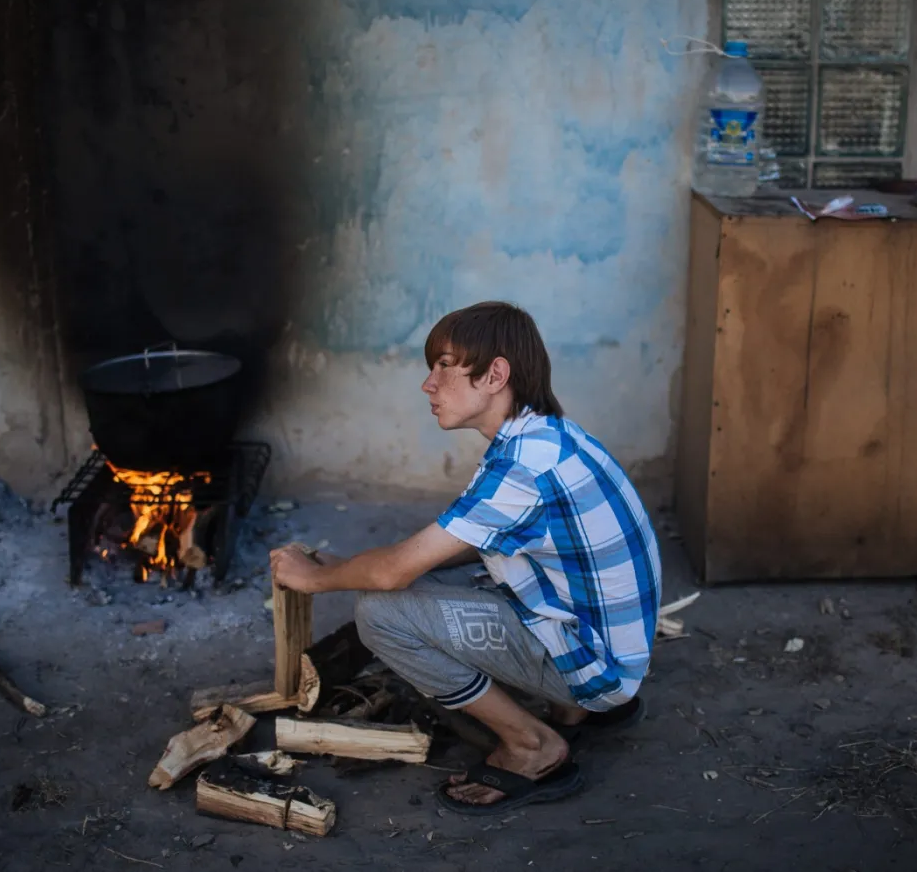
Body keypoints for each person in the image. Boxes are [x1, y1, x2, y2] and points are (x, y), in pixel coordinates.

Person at [268, 301, 662, 814]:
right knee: (424, 579)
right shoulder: (546, 437)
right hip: (609, 646)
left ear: (496, 373)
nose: (427, 384)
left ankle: (532, 745)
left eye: (444, 365)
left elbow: (392, 572)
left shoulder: (520, 470)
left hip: (598, 667)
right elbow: (454, 548)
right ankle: (570, 711)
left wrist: (318, 579)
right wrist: (357, 566)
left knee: (380, 613)